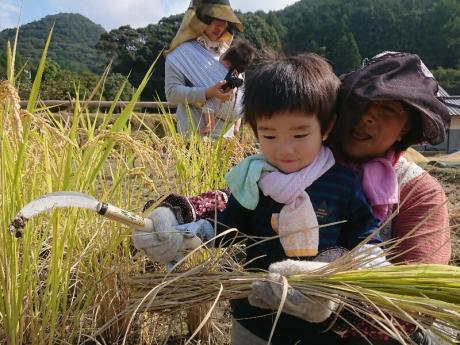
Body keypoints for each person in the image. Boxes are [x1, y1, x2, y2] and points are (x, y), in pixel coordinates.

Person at [133, 52, 385, 344]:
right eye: (270, 135)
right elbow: (229, 226)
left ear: (326, 128)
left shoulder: (342, 182)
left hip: (317, 327)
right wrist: (190, 232)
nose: (284, 150)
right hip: (254, 319)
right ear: (255, 131)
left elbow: (365, 237)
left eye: (300, 135)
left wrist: (337, 268)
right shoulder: (256, 178)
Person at [165, 0, 245, 139]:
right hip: (196, 137)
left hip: (227, 139)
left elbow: (240, 89)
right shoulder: (180, 53)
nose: (219, 26)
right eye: (212, 18)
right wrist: (207, 92)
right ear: (198, 18)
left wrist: (237, 120)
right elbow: (172, 93)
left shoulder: (229, 52)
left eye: (224, 20)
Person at [200, 38, 255, 136]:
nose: (221, 54)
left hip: (224, 107)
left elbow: (219, 91)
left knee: (209, 103)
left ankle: (209, 126)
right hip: (239, 111)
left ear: (227, 63)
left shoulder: (222, 73)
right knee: (239, 100)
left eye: (224, 54)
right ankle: (237, 127)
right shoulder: (239, 74)